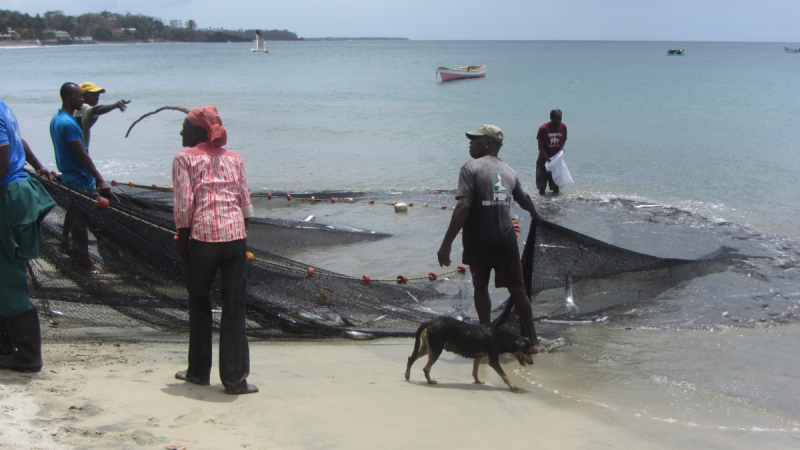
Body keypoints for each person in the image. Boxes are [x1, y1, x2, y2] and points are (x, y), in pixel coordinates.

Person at [172, 106, 258, 395]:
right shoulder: (235, 158)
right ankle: (235, 380)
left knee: (199, 302)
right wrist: (239, 235)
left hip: (204, 237)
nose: (182, 132)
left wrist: (183, 244)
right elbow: (245, 203)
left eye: (185, 127)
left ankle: (197, 371)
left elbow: (185, 205)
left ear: (198, 132)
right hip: (235, 236)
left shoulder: (184, 158)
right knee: (235, 306)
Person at [438, 124, 543, 354]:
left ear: (488, 143)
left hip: (479, 241)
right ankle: (534, 343)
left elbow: (463, 205)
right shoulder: (510, 171)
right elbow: (524, 198)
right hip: (506, 240)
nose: (470, 142)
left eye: (475, 139)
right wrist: (535, 214)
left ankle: (485, 340)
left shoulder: (470, 168)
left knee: (480, 288)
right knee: (518, 289)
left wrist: (446, 244)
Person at [0, 98, 57, 372]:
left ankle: (27, 355)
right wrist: (37, 165)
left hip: (9, 196)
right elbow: (19, 142)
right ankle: (6, 347)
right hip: (19, 190)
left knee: (8, 275)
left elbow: (1, 163)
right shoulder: (3, 106)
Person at [50, 82, 111, 272]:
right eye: (78, 96)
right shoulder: (68, 123)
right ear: (69, 98)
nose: (82, 99)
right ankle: (83, 262)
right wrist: (100, 179)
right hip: (78, 176)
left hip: (69, 174)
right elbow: (82, 155)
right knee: (80, 220)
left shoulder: (57, 119)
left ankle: (74, 254)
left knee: (76, 215)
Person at [74, 82, 130, 150]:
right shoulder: (83, 107)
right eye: (93, 94)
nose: (97, 97)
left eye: (98, 95)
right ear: (83, 96)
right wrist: (115, 105)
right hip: (80, 155)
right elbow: (96, 110)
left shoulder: (75, 109)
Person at [536, 109, 567, 196]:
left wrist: (561, 148)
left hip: (556, 163)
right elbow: (540, 147)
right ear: (551, 118)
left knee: (556, 188)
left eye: (560, 119)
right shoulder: (543, 129)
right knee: (541, 188)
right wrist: (548, 160)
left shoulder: (563, 127)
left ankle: (554, 206)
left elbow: (564, 139)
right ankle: (541, 206)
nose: (559, 121)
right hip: (543, 162)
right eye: (556, 119)